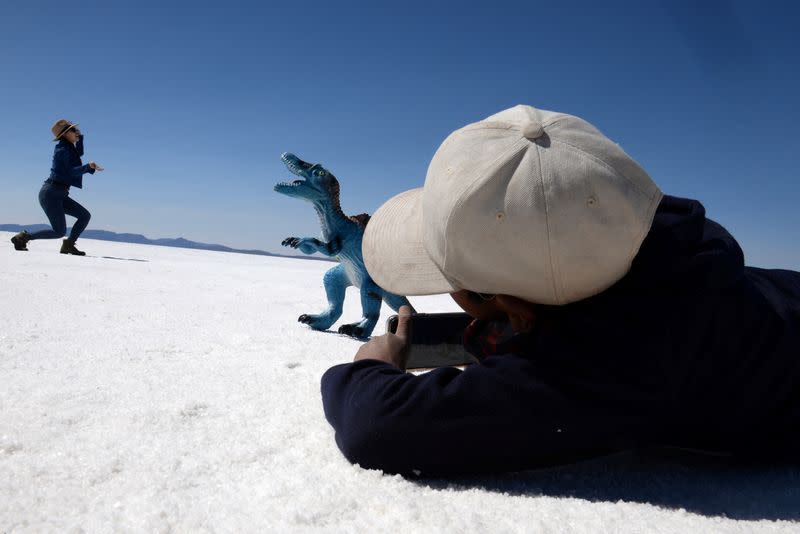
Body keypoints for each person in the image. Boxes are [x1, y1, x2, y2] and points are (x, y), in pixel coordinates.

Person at [320, 105, 800, 476]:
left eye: (458, 287)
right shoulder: (668, 245)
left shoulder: (613, 364)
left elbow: (380, 428)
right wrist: (479, 332)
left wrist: (372, 366)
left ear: (522, 315)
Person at [10, 119, 104, 256]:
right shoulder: (62, 149)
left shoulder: (68, 148)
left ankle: (68, 245)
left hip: (60, 193)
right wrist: (87, 167)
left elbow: (79, 154)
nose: (76, 132)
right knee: (59, 231)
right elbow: (70, 171)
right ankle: (23, 237)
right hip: (51, 194)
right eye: (73, 130)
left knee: (84, 216)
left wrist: (80, 138)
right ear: (65, 134)